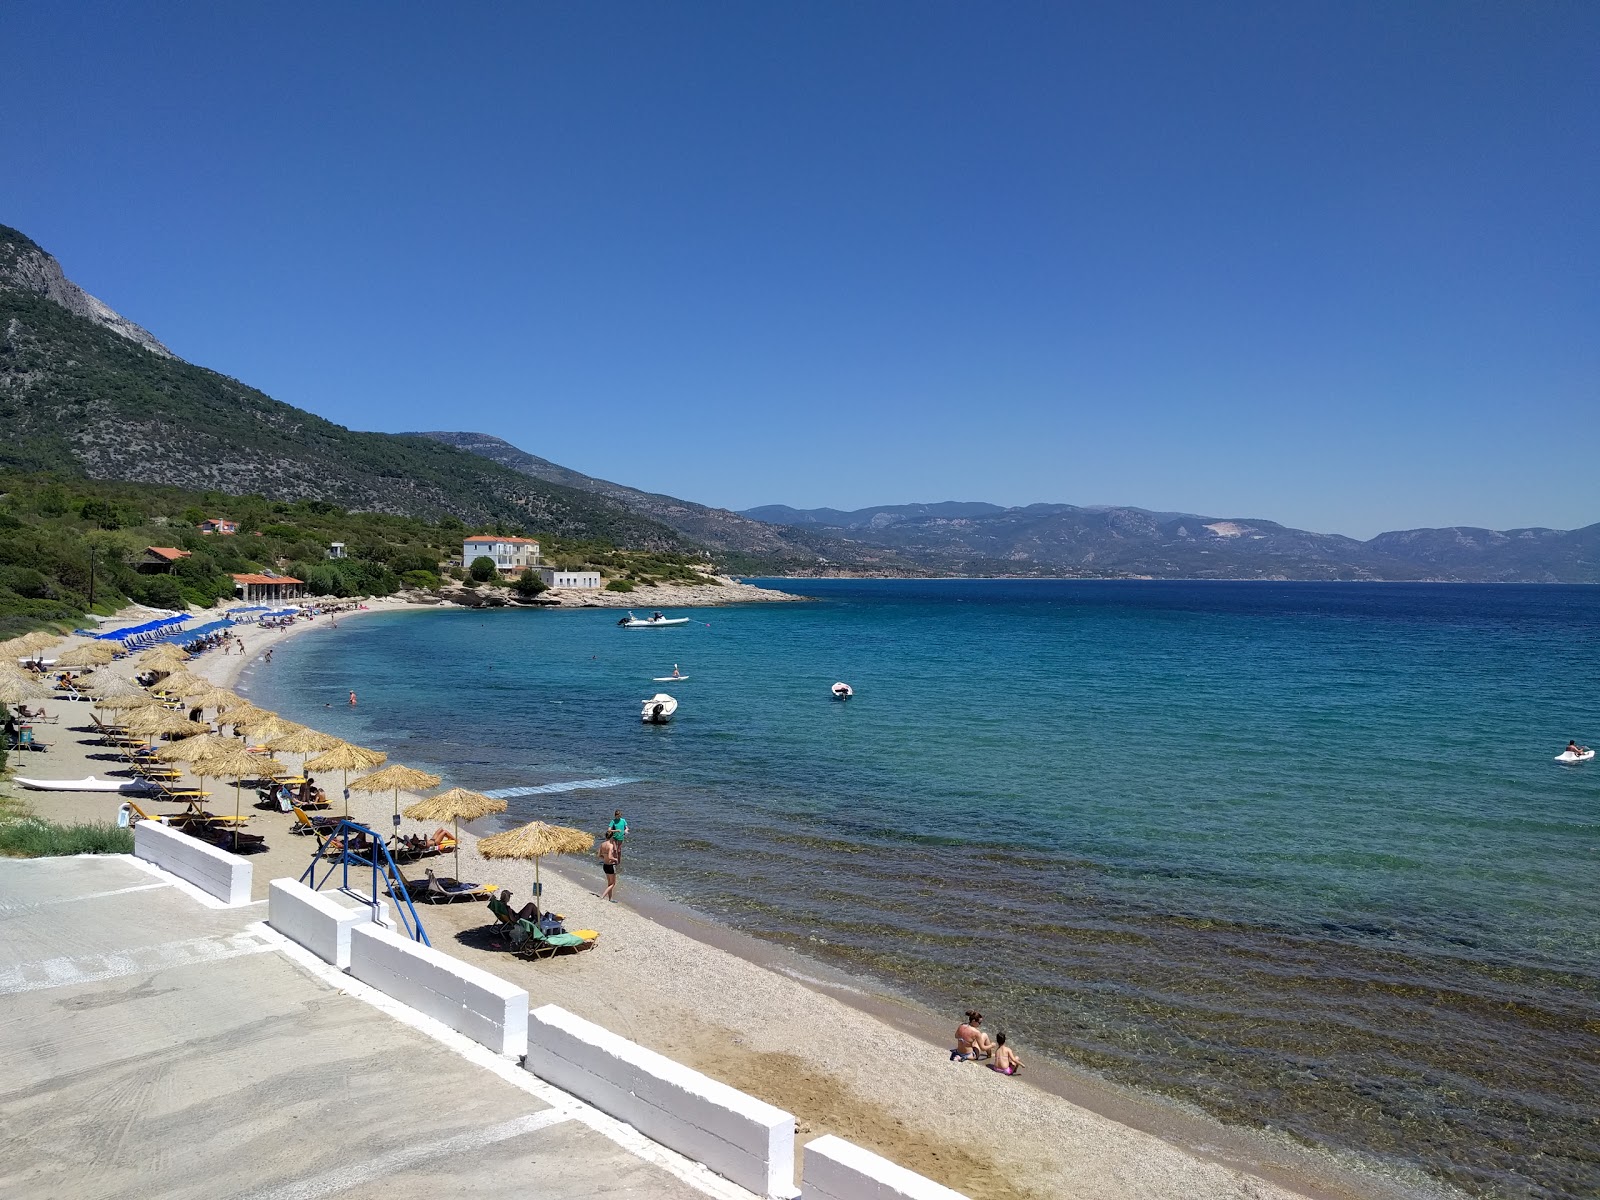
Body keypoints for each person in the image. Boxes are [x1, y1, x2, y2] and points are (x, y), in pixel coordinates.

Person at [598, 829, 621, 901]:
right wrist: (615, 859)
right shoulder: (610, 845)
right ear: (612, 837)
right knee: (613, 884)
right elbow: (610, 857)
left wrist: (605, 857)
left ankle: (610, 899)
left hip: (605, 865)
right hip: (610, 865)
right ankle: (603, 896)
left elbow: (599, 855)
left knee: (609, 883)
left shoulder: (602, 844)